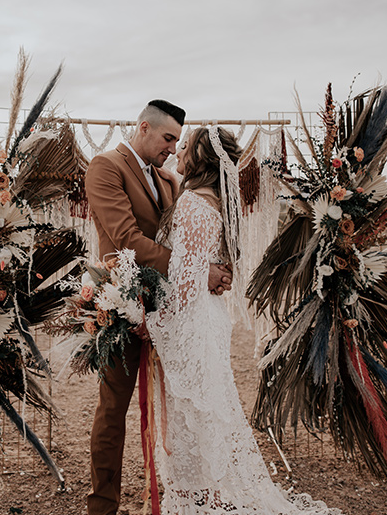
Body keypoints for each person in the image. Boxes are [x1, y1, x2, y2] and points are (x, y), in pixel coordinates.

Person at [145, 126, 341, 515]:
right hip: (206, 316)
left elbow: (185, 281)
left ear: (199, 159)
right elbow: (204, 268)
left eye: (184, 147)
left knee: (194, 409)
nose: (178, 153)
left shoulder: (193, 205)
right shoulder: (215, 202)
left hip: (190, 321)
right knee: (206, 408)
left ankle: (202, 498)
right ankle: (207, 494)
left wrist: (155, 324)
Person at [85, 101, 233, 515]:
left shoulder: (169, 182)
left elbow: (186, 237)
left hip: (173, 315)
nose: (173, 148)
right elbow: (127, 238)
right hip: (123, 308)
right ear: (144, 127)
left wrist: (214, 272)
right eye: (168, 139)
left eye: (177, 142)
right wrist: (197, 272)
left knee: (178, 408)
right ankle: (102, 506)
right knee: (114, 408)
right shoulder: (105, 167)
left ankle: (183, 496)